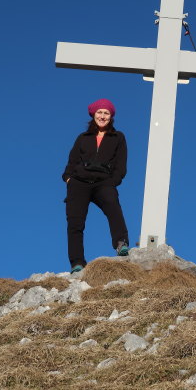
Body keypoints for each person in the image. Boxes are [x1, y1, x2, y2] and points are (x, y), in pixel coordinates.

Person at [62, 98, 130, 273]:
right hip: (79, 182)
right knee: (75, 222)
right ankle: (77, 263)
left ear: (111, 116)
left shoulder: (118, 137)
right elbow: (72, 160)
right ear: (93, 114)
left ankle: (121, 243)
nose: (102, 116)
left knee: (113, 206)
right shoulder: (83, 138)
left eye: (106, 113)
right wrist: (68, 178)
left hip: (103, 181)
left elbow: (121, 164)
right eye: (99, 112)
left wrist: (113, 181)